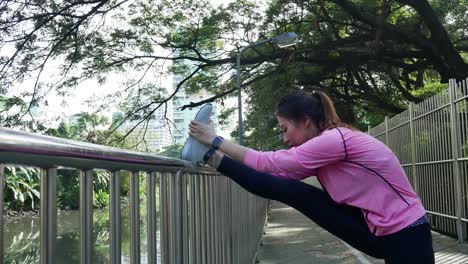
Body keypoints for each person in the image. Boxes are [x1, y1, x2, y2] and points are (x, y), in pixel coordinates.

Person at [187, 91, 435, 263]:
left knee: (293, 190)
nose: (285, 138)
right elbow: (273, 176)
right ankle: (209, 157)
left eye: (286, 129)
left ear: (305, 121)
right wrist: (214, 151)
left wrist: (215, 139)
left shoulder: (334, 139)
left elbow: (266, 161)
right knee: (290, 190)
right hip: (377, 229)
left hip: (406, 232)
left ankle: (209, 149)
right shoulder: (323, 150)